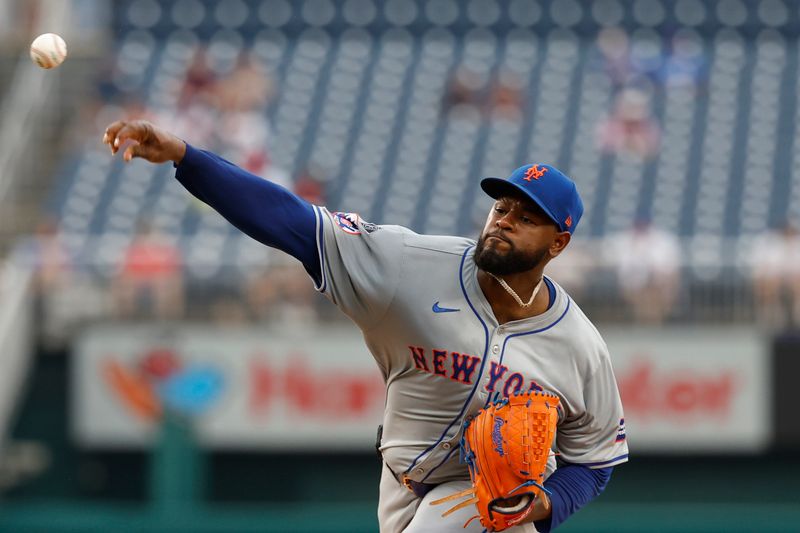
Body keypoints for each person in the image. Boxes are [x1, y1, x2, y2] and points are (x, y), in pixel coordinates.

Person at [102, 120, 628, 532]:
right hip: (399, 488)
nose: (504, 220)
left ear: (558, 243)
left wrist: (549, 500)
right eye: (501, 206)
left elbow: (596, 461)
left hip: (488, 498)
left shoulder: (580, 348)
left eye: (526, 216)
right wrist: (186, 158)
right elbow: (292, 223)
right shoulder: (410, 265)